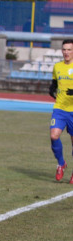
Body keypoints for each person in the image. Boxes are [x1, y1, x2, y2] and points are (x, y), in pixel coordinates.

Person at [48, 39, 73, 183]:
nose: (66, 52)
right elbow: (54, 84)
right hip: (60, 109)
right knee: (54, 135)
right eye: (64, 49)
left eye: (69, 49)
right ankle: (61, 163)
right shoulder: (57, 67)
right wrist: (52, 90)